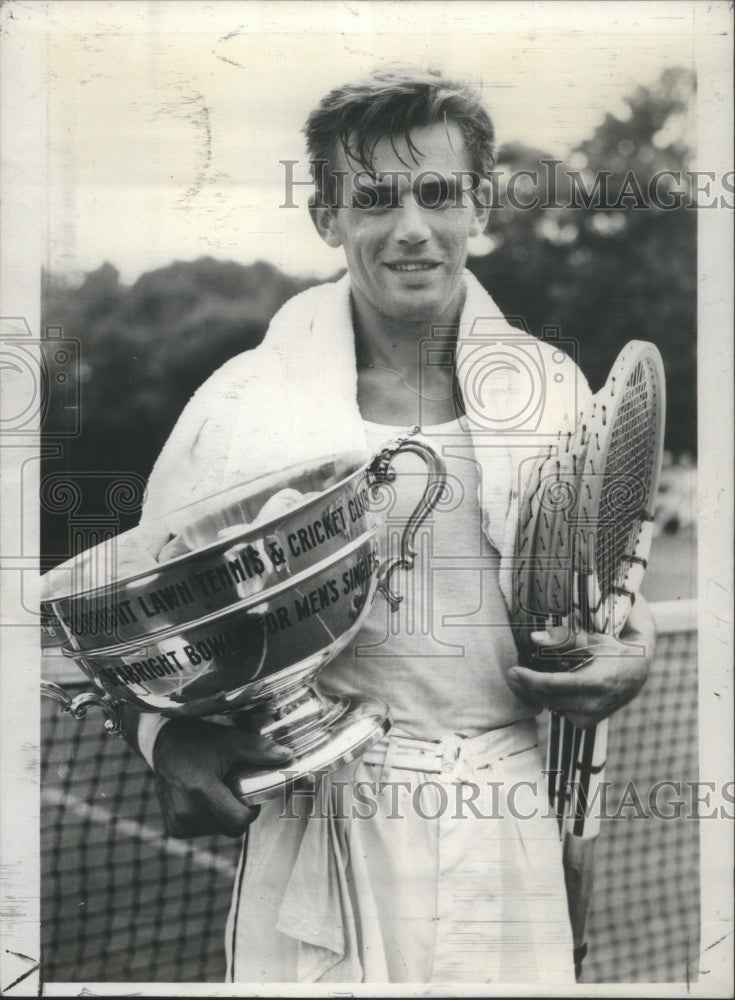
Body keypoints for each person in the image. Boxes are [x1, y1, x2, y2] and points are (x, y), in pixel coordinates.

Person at [133, 66, 656, 984]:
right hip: (322, 824)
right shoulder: (237, 404)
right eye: (373, 197)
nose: (411, 226)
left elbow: (607, 594)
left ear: (478, 206)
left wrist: (634, 652)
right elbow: (143, 610)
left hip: (511, 821)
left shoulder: (553, 391)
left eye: (437, 193)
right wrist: (166, 739)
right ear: (326, 218)